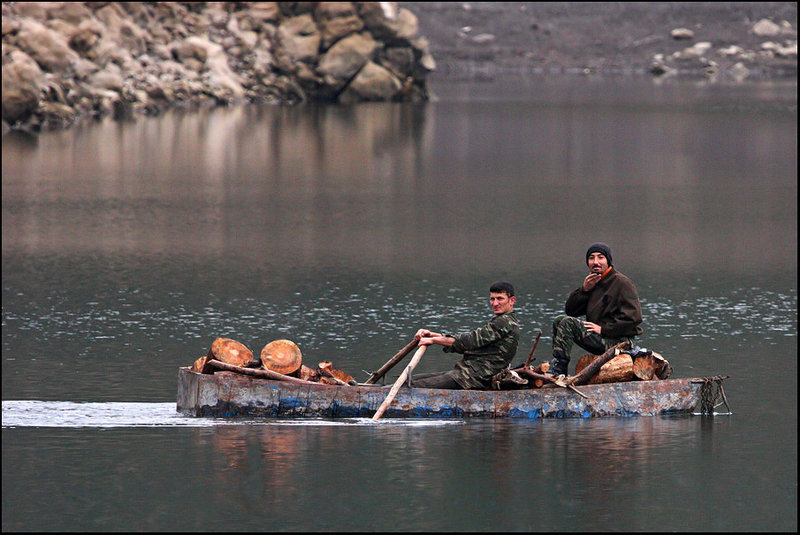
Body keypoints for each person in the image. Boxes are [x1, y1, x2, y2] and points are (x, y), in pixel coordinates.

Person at [548, 242, 643, 376]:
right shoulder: (594, 281)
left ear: (608, 261)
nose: (595, 262)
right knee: (559, 321)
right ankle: (557, 364)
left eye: (600, 257)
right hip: (602, 338)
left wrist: (604, 329)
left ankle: (560, 370)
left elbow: (635, 317)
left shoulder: (621, 282)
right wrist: (584, 290)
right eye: (591, 258)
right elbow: (571, 311)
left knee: (568, 323)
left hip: (619, 342)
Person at [409, 281, 521, 390]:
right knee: (410, 379)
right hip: (469, 373)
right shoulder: (503, 320)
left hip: (475, 378)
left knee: (412, 385)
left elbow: (469, 341)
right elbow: (474, 342)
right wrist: (433, 335)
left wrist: (433, 340)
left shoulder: (505, 322)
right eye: (492, 299)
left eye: (500, 299)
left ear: (512, 301)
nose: (495, 303)